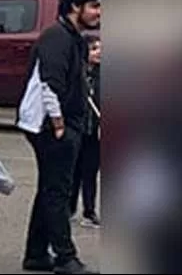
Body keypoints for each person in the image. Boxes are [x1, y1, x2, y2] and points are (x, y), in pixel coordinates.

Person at [17, 0, 101, 275]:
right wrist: (59, 124)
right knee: (58, 192)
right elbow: (49, 84)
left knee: (50, 188)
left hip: (67, 123)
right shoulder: (57, 37)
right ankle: (65, 257)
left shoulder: (75, 38)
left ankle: (36, 254)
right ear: (75, 7)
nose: (99, 12)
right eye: (94, 6)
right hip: (51, 126)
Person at [70, 36, 101, 229]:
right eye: (94, 48)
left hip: (95, 131)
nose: (99, 52)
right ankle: (69, 208)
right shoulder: (77, 73)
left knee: (90, 172)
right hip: (78, 129)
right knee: (73, 171)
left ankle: (89, 210)